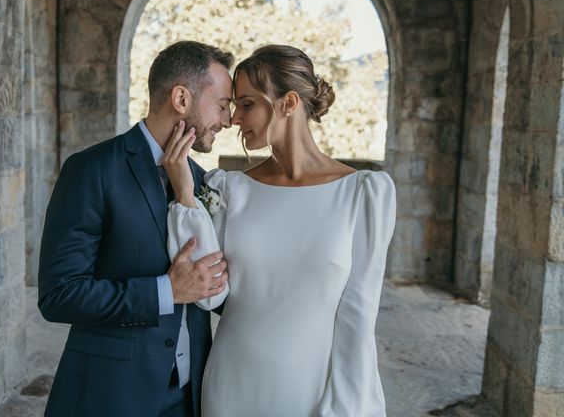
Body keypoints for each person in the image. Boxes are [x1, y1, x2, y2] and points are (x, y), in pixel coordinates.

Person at [164, 44, 396, 416]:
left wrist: (347, 405)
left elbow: (358, 316)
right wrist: (185, 195)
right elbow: (208, 294)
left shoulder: (362, 194)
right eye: (235, 105)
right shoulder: (231, 189)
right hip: (231, 382)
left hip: (309, 388)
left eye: (247, 104)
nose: (235, 118)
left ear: (289, 103)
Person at [37, 41, 233, 417]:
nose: (226, 120)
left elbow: (218, 288)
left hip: (191, 398)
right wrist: (167, 291)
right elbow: (58, 295)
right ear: (181, 98)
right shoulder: (91, 170)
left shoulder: (203, 182)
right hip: (110, 395)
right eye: (222, 104)